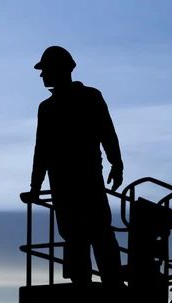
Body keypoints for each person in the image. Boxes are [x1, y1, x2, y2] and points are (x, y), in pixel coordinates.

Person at [28, 45, 124, 287]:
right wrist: (36, 186)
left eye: (45, 69)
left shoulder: (88, 98)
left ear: (58, 70)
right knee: (78, 234)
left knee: (94, 231)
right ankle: (90, 281)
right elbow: (43, 151)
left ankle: (106, 281)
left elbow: (106, 133)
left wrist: (116, 163)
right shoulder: (49, 108)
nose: (42, 75)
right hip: (68, 183)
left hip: (82, 181)